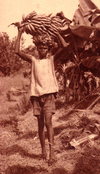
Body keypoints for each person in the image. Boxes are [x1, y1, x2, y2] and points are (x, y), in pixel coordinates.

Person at [15, 27, 69, 165]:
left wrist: (55, 32)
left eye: (45, 48)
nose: (42, 50)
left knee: (48, 122)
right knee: (40, 125)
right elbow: (17, 51)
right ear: (37, 49)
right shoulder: (33, 60)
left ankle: (52, 153)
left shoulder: (51, 59)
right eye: (40, 48)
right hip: (36, 97)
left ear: (48, 49)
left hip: (49, 96)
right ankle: (43, 151)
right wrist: (20, 32)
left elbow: (64, 46)